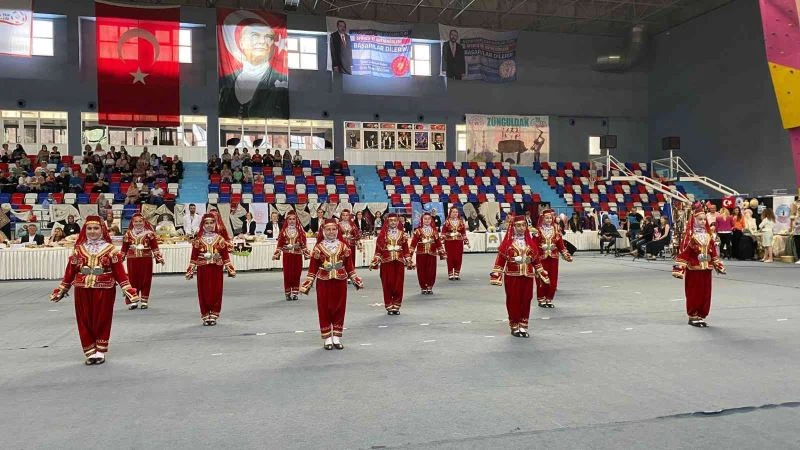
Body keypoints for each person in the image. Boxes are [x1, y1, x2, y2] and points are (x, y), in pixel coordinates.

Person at [49, 216, 140, 365]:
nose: (92, 231)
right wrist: (62, 288)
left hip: (104, 289)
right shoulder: (78, 249)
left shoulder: (110, 250)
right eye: (89, 228)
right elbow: (70, 271)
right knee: (83, 320)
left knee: (102, 319)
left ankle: (100, 350)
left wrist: (127, 288)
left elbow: (119, 271)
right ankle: (90, 350)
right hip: (81, 289)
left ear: (102, 230)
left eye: (96, 228)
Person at [300, 218, 364, 350]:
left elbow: (349, 266)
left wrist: (355, 278)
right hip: (324, 282)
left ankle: (337, 336)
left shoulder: (344, 246)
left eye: (334, 229)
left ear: (337, 230)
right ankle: (327, 337)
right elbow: (313, 268)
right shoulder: (318, 248)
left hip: (340, 281)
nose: (331, 232)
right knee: (324, 308)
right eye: (328, 229)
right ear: (323, 231)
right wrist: (308, 282)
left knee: (339, 308)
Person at [218, 10, 289, 118]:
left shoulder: (282, 80)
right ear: (241, 43)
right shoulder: (225, 80)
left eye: (268, 37)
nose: (262, 41)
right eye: (255, 36)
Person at [490, 216, 550, 338]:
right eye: (518, 226)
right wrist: (497, 273)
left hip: (528, 276)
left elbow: (536, 260)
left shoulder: (530, 243)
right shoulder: (507, 243)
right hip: (512, 277)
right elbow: (500, 260)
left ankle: (523, 325)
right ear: (513, 227)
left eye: (523, 225)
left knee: (526, 300)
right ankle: (514, 325)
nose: (521, 228)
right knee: (513, 300)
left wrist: (541, 272)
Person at [672, 202, 726, 327]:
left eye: (704, 219)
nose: (702, 221)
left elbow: (713, 251)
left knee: (705, 293)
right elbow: (684, 252)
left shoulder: (708, 235)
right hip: (694, 268)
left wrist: (718, 264)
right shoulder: (690, 236)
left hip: (706, 269)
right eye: (700, 219)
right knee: (694, 292)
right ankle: (693, 315)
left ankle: (701, 314)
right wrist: (680, 268)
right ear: (694, 219)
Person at [185, 213, 236, 326]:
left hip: (216, 269)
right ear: (203, 224)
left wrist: (230, 268)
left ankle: (214, 313)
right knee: (203, 291)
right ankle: (205, 314)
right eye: (206, 223)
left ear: (215, 224)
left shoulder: (220, 239)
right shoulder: (198, 240)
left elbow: (225, 256)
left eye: (211, 223)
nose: (209, 225)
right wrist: (190, 270)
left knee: (216, 291)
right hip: (202, 269)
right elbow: (193, 257)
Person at [369, 213, 412, 315]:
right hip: (386, 262)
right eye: (391, 220)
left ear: (398, 222)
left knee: (398, 284)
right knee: (387, 284)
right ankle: (389, 304)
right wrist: (375, 260)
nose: (393, 222)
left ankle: (396, 305)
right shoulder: (382, 235)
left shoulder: (402, 234)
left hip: (399, 262)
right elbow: (378, 250)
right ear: (387, 222)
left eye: (395, 220)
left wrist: (409, 260)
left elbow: (405, 249)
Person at [121, 213, 165, 310]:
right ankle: (133, 300)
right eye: (136, 221)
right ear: (132, 222)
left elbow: (155, 247)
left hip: (146, 259)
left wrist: (159, 257)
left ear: (144, 222)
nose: (138, 223)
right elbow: (124, 248)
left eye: (140, 221)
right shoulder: (128, 234)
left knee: (146, 280)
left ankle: (144, 300)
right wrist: (121, 258)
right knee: (132, 280)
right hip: (132, 260)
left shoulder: (149, 234)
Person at [535, 209, 573, 308]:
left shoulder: (556, 229)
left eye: (550, 218)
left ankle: (549, 298)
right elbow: (533, 245)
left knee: (553, 279)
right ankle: (541, 298)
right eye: (546, 218)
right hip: (541, 258)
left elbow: (560, 244)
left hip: (553, 258)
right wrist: (540, 248)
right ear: (542, 219)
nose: (548, 220)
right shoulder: (538, 230)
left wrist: (565, 254)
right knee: (542, 278)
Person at [272, 210, 310, 301]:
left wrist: (306, 252)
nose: (292, 221)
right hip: (287, 256)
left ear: (296, 220)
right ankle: (288, 292)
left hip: (297, 256)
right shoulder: (283, 232)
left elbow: (304, 244)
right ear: (287, 220)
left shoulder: (300, 232)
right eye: (290, 219)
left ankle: (295, 293)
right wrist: (277, 253)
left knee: (297, 274)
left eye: (293, 219)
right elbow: (280, 244)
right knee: (288, 274)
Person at [409, 212, 446, 295]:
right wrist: (409, 256)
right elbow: (413, 243)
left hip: (432, 254)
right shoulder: (418, 231)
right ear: (422, 220)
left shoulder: (434, 231)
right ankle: (423, 287)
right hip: (421, 254)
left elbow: (438, 243)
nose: (427, 220)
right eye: (425, 219)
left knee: (431, 271)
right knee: (421, 270)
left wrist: (442, 253)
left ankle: (430, 286)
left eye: (429, 219)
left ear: (431, 220)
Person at [441, 206, 469, 280]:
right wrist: (443, 238)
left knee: (458, 258)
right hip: (449, 243)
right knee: (450, 258)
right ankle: (450, 274)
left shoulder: (461, 222)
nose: (455, 213)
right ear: (450, 213)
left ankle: (457, 273)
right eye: (453, 212)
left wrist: (466, 240)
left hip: (459, 243)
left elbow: (463, 232)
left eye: (456, 212)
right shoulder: (447, 222)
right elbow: (443, 232)